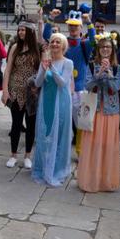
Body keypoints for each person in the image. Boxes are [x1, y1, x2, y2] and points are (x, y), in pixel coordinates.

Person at [44, 10, 95, 154]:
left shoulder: (84, 44)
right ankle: (60, 149)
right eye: (71, 26)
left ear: (80, 28)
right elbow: (46, 37)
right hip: (62, 89)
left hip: (79, 90)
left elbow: (93, 41)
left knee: (81, 123)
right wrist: (51, 18)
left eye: (76, 26)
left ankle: (80, 151)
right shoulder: (62, 43)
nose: (73, 29)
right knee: (61, 122)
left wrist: (89, 23)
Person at [77, 36, 120, 192]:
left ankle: (106, 180)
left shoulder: (117, 67)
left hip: (111, 112)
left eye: (108, 47)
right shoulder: (91, 66)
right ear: (98, 49)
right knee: (92, 145)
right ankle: (91, 180)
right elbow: (87, 86)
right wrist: (98, 74)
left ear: (112, 50)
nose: (105, 49)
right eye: (102, 47)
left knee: (108, 146)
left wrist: (109, 74)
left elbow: (116, 88)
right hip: (94, 110)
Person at [32, 33, 74, 186]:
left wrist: (52, 68)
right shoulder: (45, 61)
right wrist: (43, 69)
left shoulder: (68, 62)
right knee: (45, 132)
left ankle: (57, 168)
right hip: (46, 101)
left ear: (63, 46)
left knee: (60, 134)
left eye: (58, 42)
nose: (55, 44)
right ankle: (44, 166)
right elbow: (37, 83)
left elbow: (62, 83)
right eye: (53, 42)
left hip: (61, 102)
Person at [2, 22, 41, 169]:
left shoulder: (37, 48)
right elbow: (8, 70)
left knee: (31, 125)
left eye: (23, 30)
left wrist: (41, 20)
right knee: (16, 124)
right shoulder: (14, 47)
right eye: (19, 30)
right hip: (15, 90)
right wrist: (5, 91)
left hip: (32, 92)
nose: (20, 32)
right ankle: (13, 155)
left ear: (30, 32)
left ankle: (28, 155)